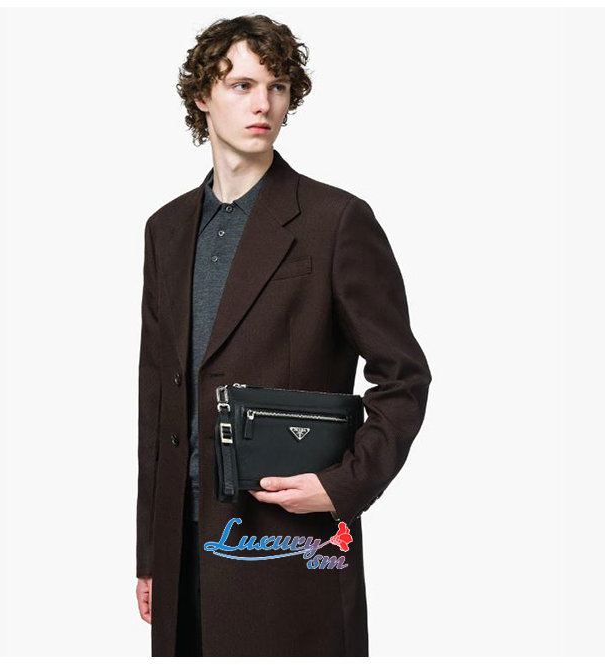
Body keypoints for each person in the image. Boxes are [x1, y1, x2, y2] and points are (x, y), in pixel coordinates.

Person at [135, 14, 432, 657]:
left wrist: (344, 484)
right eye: (241, 85)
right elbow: (157, 393)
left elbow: (404, 377)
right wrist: (150, 552)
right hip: (183, 543)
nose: (262, 104)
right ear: (202, 96)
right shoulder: (166, 229)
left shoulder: (337, 220)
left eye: (276, 87)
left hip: (290, 542)